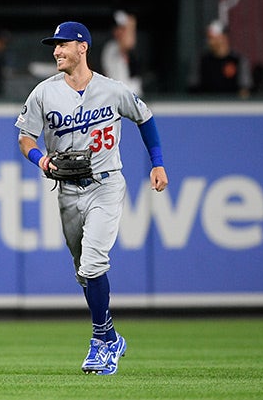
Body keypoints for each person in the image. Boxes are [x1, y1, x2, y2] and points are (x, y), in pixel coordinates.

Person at [15, 21, 168, 375]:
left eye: (62, 45)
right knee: (83, 272)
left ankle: (100, 342)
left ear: (82, 47)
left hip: (106, 183)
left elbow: (145, 119)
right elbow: (26, 138)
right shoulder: (43, 93)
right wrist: (40, 159)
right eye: (54, 46)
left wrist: (157, 164)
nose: (56, 51)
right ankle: (112, 336)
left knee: (93, 264)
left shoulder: (113, 90)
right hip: (67, 189)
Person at [189, 20, 252, 98]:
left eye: (212, 38)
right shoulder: (202, 61)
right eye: (209, 38)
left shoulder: (238, 60)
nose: (209, 42)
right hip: (206, 106)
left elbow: (244, 90)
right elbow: (194, 89)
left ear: (223, 38)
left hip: (232, 107)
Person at [100, 10, 143, 95]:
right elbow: (128, 43)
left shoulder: (132, 50)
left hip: (132, 96)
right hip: (117, 96)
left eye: (123, 29)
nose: (121, 31)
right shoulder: (110, 47)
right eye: (119, 28)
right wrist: (131, 25)